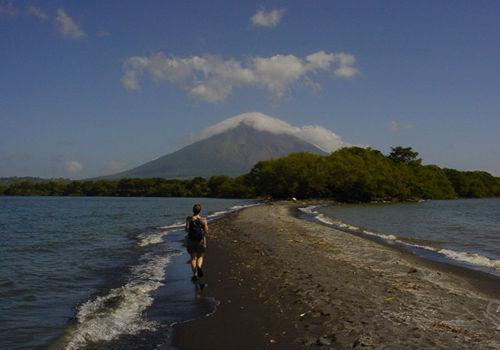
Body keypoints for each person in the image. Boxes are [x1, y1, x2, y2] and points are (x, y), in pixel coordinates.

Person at [185, 204, 208, 281]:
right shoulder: (203, 220)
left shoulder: (189, 219)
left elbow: (187, 229)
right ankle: (199, 267)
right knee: (200, 256)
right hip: (200, 240)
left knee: (193, 258)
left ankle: (194, 274)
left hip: (191, 240)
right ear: (200, 211)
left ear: (193, 210)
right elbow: (206, 231)